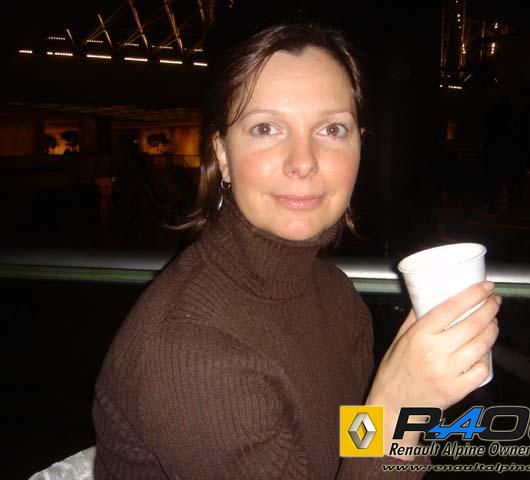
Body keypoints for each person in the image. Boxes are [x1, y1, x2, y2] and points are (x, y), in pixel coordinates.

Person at [92, 22, 501, 479]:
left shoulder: (335, 294)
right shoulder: (187, 354)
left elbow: (351, 450)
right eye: (266, 128)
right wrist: (401, 407)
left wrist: (407, 394)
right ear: (222, 155)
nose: (303, 162)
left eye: (332, 129)